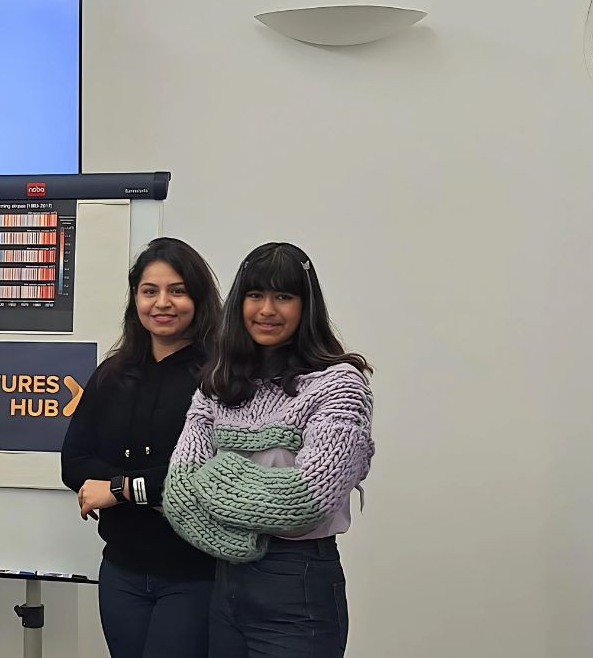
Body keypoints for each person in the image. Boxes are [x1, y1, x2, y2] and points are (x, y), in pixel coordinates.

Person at [163, 241, 374, 658]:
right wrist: (254, 508)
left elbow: (306, 501)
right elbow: (178, 495)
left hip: (298, 584)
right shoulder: (219, 384)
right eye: (255, 295)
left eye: (284, 296)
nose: (267, 310)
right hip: (226, 582)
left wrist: (218, 476)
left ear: (306, 305)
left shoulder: (338, 385)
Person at [61, 237, 223, 658]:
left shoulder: (221, 379)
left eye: (178, 290)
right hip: (121, 570)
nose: (162, 303)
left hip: (195, 574)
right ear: (135, 298)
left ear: (198, 298)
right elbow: (74, 463)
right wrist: (144, 488)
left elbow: (204, 477)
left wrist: (114, 490)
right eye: (150, 291)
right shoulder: (113, 373)